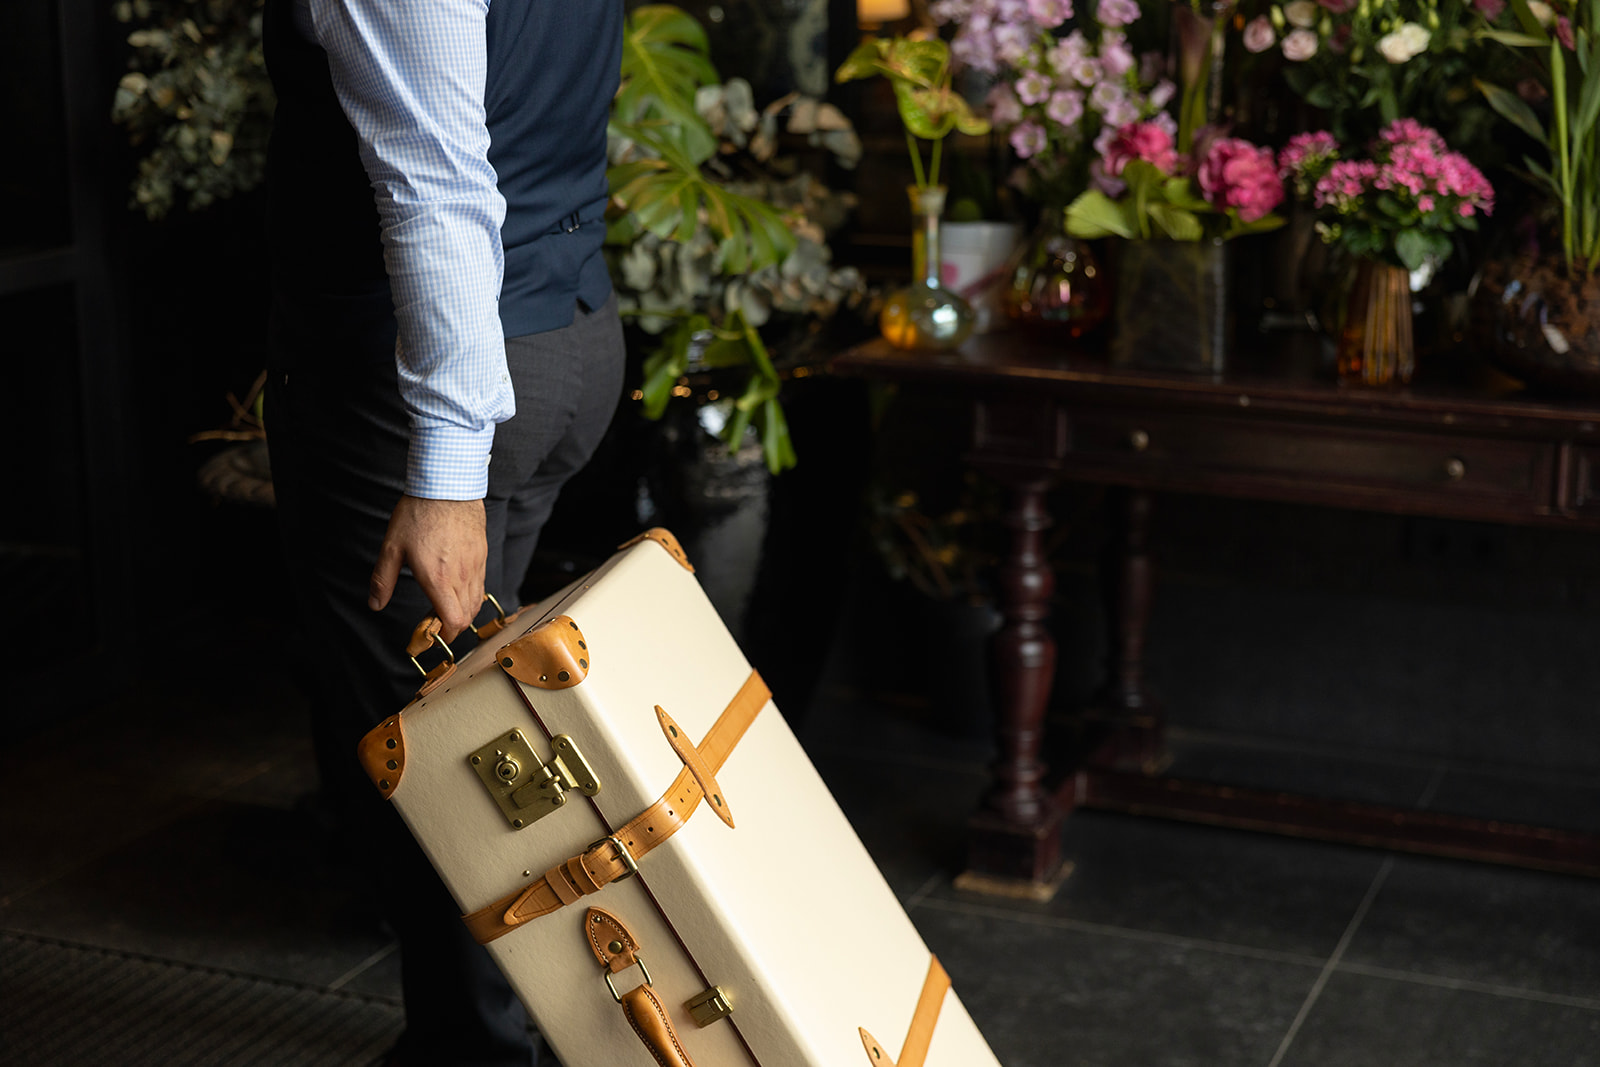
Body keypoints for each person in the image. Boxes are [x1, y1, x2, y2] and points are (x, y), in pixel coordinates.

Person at [260, 0, 624, 1062]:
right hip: (565, 331)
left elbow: (437, 187)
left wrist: (446, 476)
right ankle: (525, 1033)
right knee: (493, 748)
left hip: (419, 394)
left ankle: (482, 1048)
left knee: (442, 771)